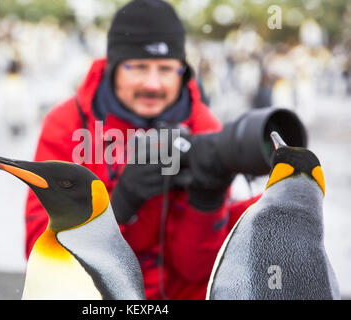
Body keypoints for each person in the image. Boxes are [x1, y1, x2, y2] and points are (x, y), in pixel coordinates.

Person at [25, 0, 259, 300]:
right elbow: (38, 249)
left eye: (166, 69)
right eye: (138, 67)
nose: (153, 84)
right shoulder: (69, 125)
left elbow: (196, 270)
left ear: (182, 71)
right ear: (113, 66)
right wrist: (117, 207)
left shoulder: (204, 128)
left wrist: (206, 200)